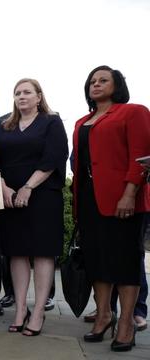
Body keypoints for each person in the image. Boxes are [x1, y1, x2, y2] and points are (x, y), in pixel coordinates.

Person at [73, 65, 150, 352]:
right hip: (89, 199)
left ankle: (127, 323)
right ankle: (104, 314)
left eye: (103, 80)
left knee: (125, 263)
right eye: (92, 81)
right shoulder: (82, 121)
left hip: (123, 200)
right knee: (97, 260)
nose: (96, 84)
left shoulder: (133, 112)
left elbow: (141, 158)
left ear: (117, 85)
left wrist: (129, 193)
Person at [0, 78, 68, 336]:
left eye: (27, 92)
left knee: (43, 252)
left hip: (43, 195)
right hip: (9, 197)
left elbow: (54, 156)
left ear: (38, 97)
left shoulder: (51, 121)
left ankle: (38, 313)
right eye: (17, 93)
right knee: (16, 252)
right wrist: (4, 189)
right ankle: (20, 308)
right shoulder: (4, 125)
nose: (21, 96)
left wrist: (28, 187)